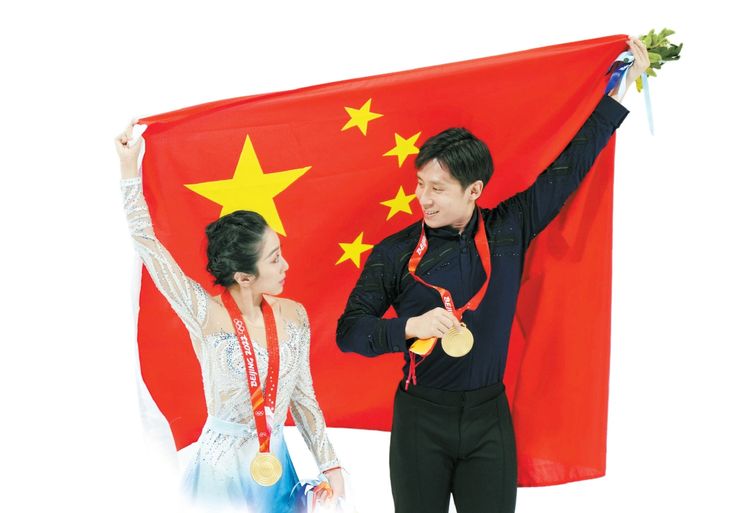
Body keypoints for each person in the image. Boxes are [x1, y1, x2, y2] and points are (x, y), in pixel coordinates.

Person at [336, 37, 649, 513]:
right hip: (422, 419)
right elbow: (349, 332)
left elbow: (569, 168)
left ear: (474, 189)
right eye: (420, 184)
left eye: (438, 188)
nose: (424, 198)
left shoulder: (509, 227)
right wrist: (408, 328)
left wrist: (621, 87)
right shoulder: (396, 253)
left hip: (489, 418)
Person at [116, 123, 345, 513]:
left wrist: (330, 463)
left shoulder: (294, 316)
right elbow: (147, 244)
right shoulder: (206, 313)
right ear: (243, 276)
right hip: (220, 474)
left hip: (276, 467)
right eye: (273, 259)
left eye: (280, 251)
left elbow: (303, 398)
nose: (285, 265)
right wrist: (128, 169)